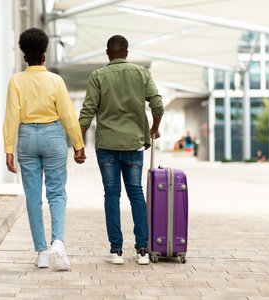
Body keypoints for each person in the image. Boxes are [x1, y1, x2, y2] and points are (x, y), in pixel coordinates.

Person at [3, 28, 86, 271]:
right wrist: (78, 145)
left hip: (27, 136)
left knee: (33, 196)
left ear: (25, 57)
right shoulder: (55, 81)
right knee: (57, 193)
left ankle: (40, 252)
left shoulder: (16, 81)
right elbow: (68, 115)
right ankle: (57, 243)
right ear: (45, 56)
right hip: (52, 135)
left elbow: (11, 116)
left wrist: (9, 147)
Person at [79, 35, 164, 265]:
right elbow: (157, 104)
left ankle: (116, 251)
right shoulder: (142, 73)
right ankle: (142, 250)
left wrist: (79, 145)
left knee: (111, 195)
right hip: (134, 143)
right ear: (127, 53)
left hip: (107, 145)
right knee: (136, 193)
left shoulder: (98, 76)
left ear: (108, 53)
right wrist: (154, 129)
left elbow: (87, 111)